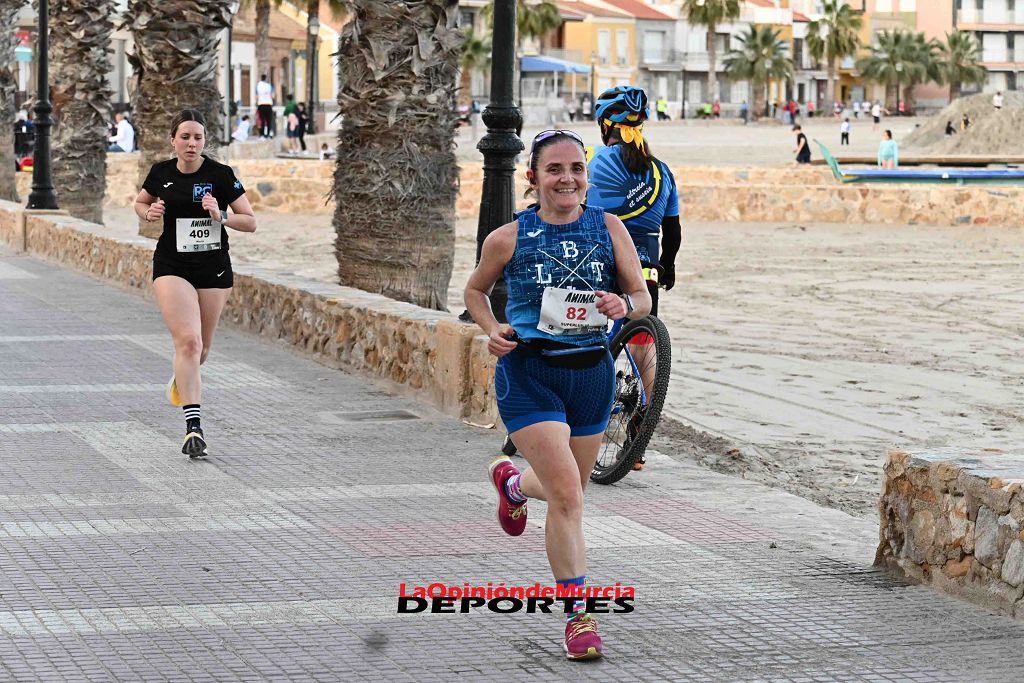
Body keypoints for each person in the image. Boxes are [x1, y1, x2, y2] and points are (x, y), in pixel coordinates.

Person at [464, 128, 651, 662]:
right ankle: (578, 617)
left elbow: (639, 295)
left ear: (586, 176)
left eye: (576, 168)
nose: (567, 178)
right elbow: (475, 291)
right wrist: (490, 329)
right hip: (530, 374)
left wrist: (624, 306)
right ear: (533, 177)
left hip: (591, 375)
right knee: (568, 495)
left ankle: (514, 485)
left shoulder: (610, 227)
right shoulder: (508, 237)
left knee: (571, 490)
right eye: (554, 169)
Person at [132, 109, 257, 457]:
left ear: (205, 141)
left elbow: (250, 221)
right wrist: (148, 213)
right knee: (187, 342)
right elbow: (141, 201)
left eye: (198, 137)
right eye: (185, 136)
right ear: (173, 140)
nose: (191, 143)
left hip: (213, 268)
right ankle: (193, 429)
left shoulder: (220, 175)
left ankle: (181, 377)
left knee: (200, 350)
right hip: (172, 264)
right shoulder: (161, 173)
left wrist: (222, 216)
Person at [585, 85, 681, 468]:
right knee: (644, 346)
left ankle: (582, 416)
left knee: (587, 338)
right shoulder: (661, 171)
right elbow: (673, 231)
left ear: (605, 123)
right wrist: (668, 267)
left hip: (602, 263)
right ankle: (637, 440)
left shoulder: (592, 161)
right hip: (647, 270)